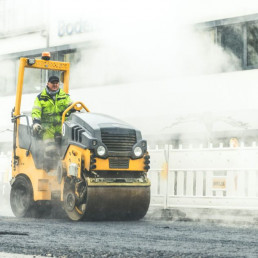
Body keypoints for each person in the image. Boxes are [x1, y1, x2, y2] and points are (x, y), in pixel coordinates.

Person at [31, 75, 73, 141]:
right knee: (50, 149)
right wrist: (36, 122)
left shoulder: (65, 96)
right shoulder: (40, 98)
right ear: (48, 84)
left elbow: (71, 106)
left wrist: (74, 108)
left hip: (62, 128)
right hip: (47, 129)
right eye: (53, 83)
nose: (55, 85)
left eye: (56, 83)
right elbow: (36, 111)